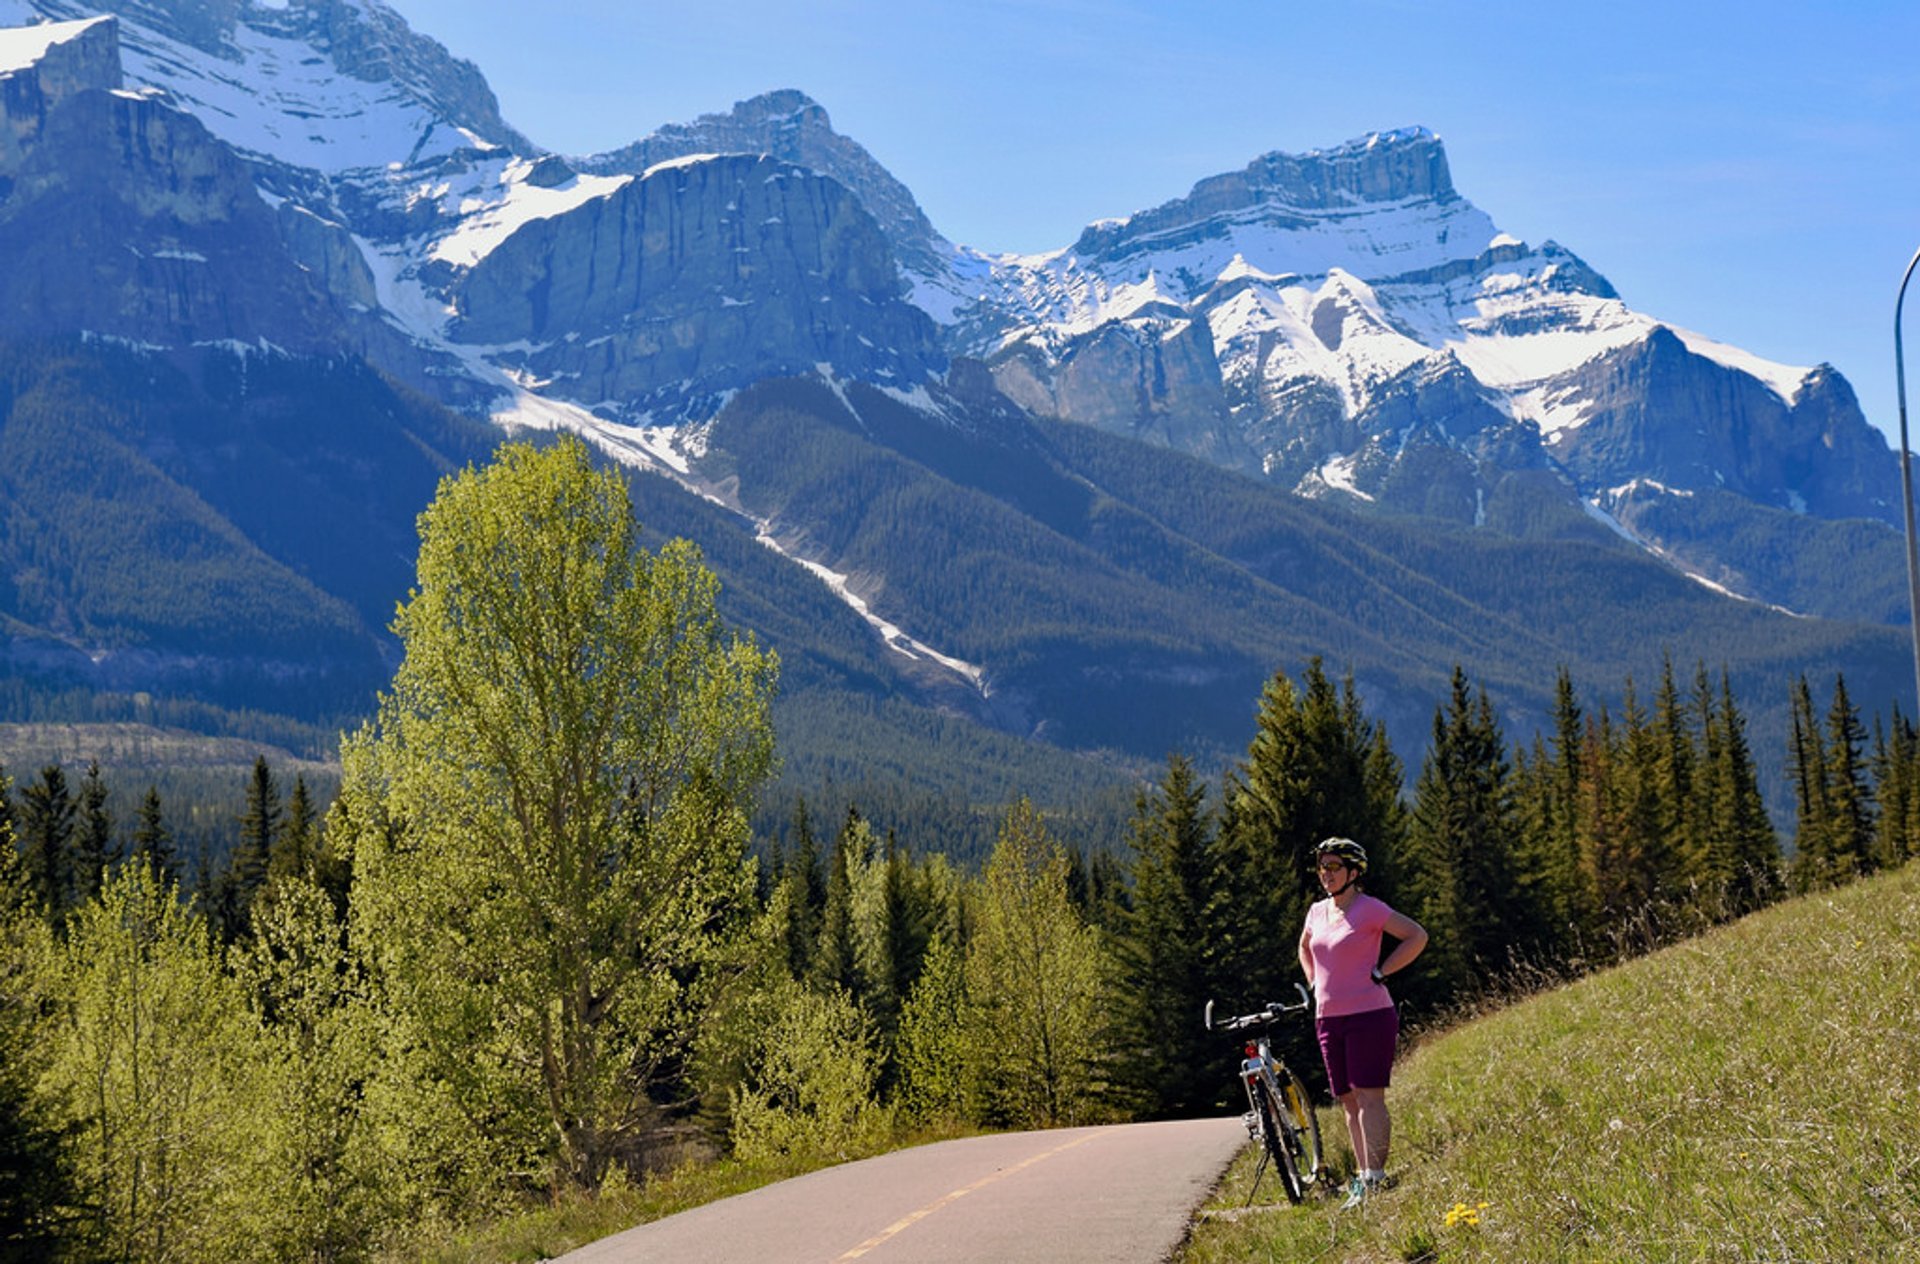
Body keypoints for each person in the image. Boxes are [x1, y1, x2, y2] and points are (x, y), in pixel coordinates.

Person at [1297, 836, 1428, 1209]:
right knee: (1348, 1101)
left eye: (1334, 867)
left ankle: (1376, 1178)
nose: (1326, 874)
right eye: (1323, 866)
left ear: (1354, 872)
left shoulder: (1370, 909)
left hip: (1370, 1015)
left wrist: (1383, 970)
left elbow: (1417, 936)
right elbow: (1305, 947)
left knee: (1370, 1097)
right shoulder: (1316, 912)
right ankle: (1362, 1175)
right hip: (1327, 1019)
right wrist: (1312, 980)